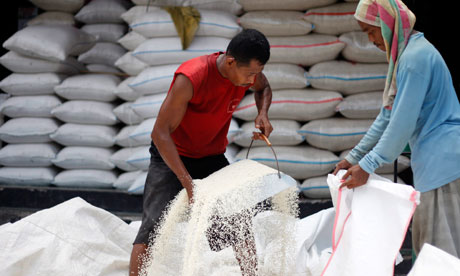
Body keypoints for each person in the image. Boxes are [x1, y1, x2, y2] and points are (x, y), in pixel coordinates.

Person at [129, 29, 273, 276]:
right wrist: (188, 184)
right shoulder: (192, 77)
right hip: (173, 155)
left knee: (238, 219)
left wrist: (262, 114)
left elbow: (264, 87)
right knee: (152, 227)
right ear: (230, 62)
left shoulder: (248, 75)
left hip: (211, 156)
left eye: (256, 74)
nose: (252, 81)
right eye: (249, 74)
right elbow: (160, 133)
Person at [333, 0, 460, 258]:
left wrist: (368, 166)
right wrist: (354, 157)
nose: (370, 40)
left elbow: (401, 124)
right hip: (435, 160)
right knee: (431, 247)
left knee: (440, 254)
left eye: (372, 31)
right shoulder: (406, 57)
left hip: (443, 162)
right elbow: (386, 116)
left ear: (389, 25)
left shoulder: (414, 59)